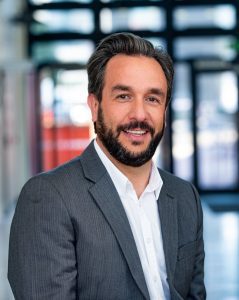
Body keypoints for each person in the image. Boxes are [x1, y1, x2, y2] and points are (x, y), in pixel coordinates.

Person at [8, 32, 206, 300]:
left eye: (152, 98)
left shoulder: (185, 197)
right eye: (123, 96)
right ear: (95, 106)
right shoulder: (48, 198)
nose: (139, 114)